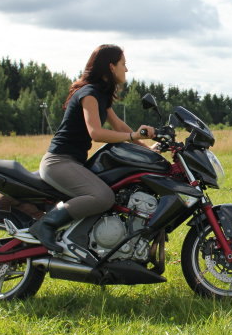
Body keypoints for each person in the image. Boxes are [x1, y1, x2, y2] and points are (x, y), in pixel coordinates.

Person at [29, 44, 155, 251]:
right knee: (103, 197)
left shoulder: (101, 95)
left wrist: (148, 150)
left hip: (72, 162)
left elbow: (118, 126)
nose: (126, 69)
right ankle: (45, 225)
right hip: (58, 162)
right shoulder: (89, 93)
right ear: (110, 66)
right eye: (123, 64)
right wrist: (133, 135)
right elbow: (95, 133)